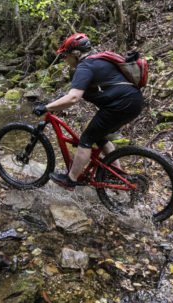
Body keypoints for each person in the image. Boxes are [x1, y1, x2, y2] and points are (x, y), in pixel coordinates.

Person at [33, 33, 144, 190]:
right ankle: (115, 172)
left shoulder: (85, 66)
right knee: (100, 137)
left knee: (86, 139)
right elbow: (80, 89)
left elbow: (73, 98)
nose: (65, 59)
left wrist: (46, 107)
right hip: (133, 102)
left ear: (76, 54)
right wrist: (57, 101)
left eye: (66, 55)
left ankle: (70, 180)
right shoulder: (98, 60)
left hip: (120, 106)